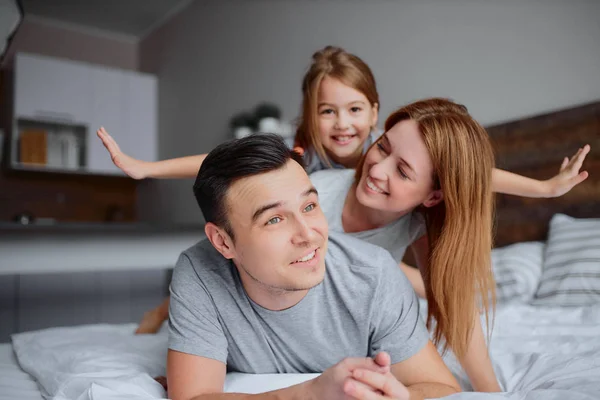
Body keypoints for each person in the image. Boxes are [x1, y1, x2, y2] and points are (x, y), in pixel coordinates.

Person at [97, 48, 590, 392]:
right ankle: (165, 314)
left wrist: (488, 391)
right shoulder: (312, 182)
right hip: (259, 284)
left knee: (416, 281)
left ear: (434, 194)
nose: (375, 169)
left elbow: (474, 182)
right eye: (381, 149)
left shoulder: (404, 238)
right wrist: (148, 169)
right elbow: (225, 166)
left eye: (402, 171)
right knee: (217, 269)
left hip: (342, 306)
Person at [167, 133, 460, 400]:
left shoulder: (374, 274)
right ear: (222, 242)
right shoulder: (199, 271)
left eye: (309, 207)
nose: (309, 235)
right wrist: (310, 394)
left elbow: (442, 389)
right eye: (274, 219)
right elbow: (193, 397)